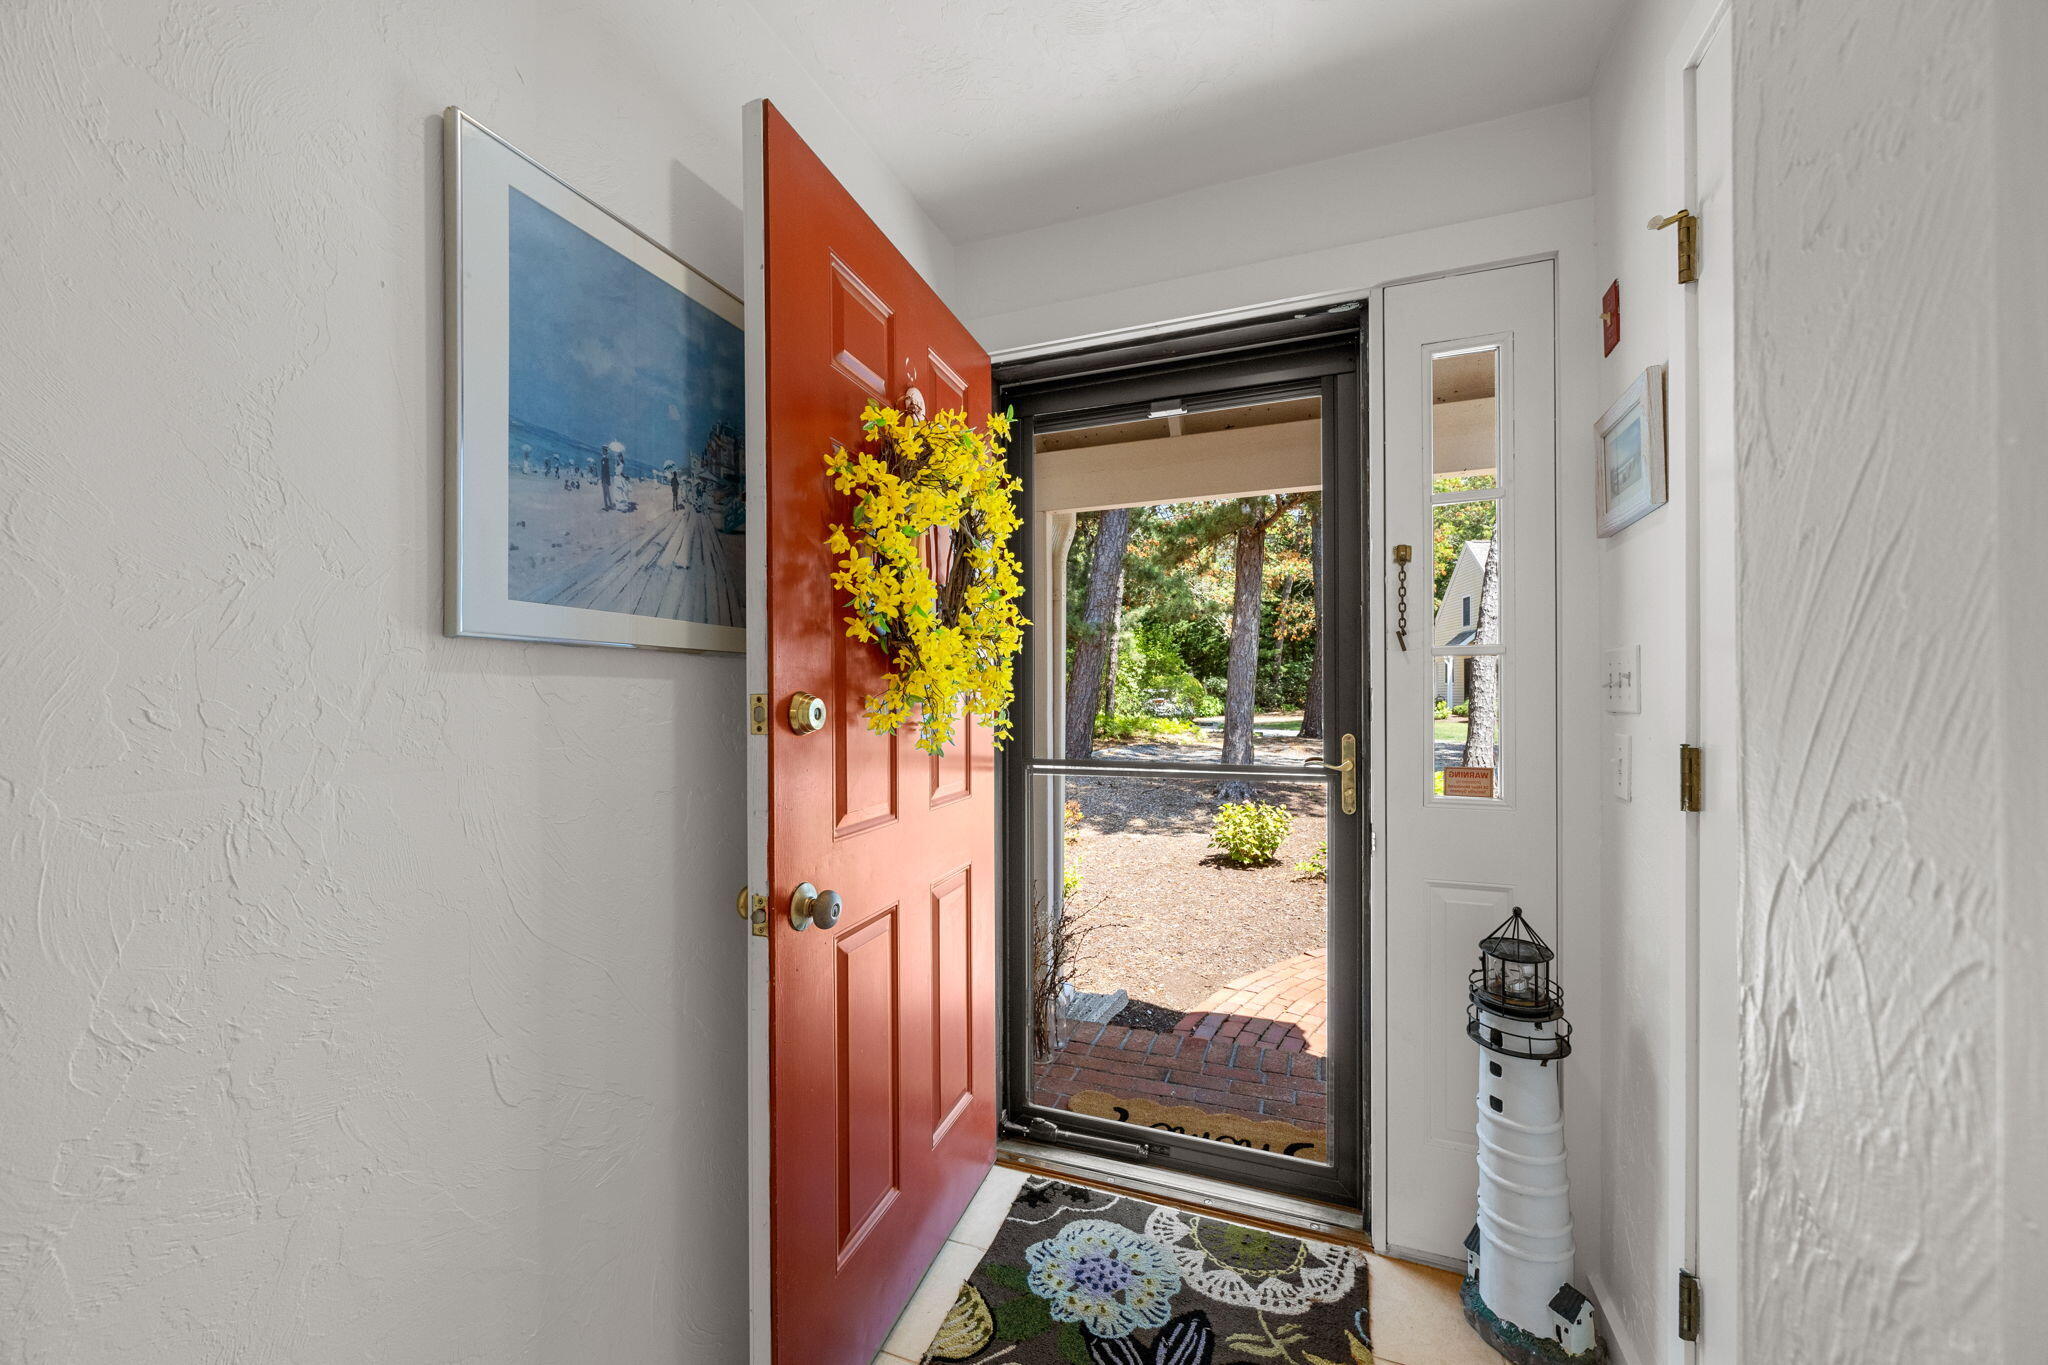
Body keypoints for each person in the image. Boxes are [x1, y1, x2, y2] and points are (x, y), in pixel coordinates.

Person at [601, 440, 622, 511]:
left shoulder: (605, 459)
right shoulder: (604, 459)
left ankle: (609, 505)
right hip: (604, 478)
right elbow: (604, 470)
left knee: (607, 492)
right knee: (605, 493)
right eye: (603, 450)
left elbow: (606, 471)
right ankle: (607, 505)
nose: (603, 452)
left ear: (606, 451)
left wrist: (607, 480)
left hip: (605, 478)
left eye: (604, 450)